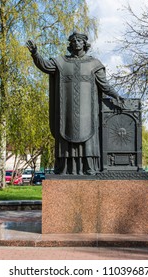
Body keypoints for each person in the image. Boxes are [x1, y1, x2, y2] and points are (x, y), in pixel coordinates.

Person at [27, 32, 123, 175]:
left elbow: (104, 85)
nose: (76, 43)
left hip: (88, 112)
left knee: (88, 137)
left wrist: (115, 95)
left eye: (79, 40)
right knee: (66, 135)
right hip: (67, 111)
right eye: (73, 41)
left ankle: (89, 167)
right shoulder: (61, 62)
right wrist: (35, 54)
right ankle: (65, 168)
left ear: (85, 43)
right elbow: (45, 66)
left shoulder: (94, 64)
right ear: (70, 44)